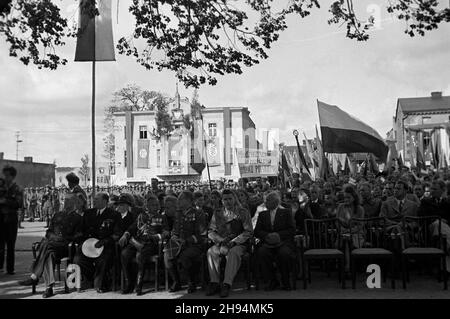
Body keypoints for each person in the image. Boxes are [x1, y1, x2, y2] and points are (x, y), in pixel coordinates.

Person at [19, 193, 83, 298]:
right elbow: (48, 232)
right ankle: (49, 288)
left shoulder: (78, 218)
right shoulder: (57, 215)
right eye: (65, 200)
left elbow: (79, 235)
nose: (65, 203)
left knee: (46, 245)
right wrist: (54, 237)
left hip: (65, 247)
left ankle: (35, 276)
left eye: (68, 201)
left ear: (74, 203)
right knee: (49, 254)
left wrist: (64, 238)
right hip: (52, 245)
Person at [206, 189, 253, 298]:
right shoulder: (217, 213)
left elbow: (248, 231)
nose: (227, 202)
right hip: (221, 242)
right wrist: (219, 240)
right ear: (222, 201)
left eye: (230, 199)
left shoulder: (243, 212)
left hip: (238, 244)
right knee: (210, 252)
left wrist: (234, 241)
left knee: (233, 253)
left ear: (234, 199)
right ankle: (215, 283)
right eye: (225, 199)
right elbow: (211, 231)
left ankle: (226, 284)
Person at [119, 195, 170, 295]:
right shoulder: (141, 216)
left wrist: (155, 237)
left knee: (140, 256)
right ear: (147, 206)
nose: (155, 207)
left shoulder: (162, 217)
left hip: (151, 244)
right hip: (137, 241)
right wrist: (126, 234)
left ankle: (139, 285)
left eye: (156, 205)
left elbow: (166, 232)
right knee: (124, 254)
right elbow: (132, 227)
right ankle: (129, 283)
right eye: (152, 205)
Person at [74, 192, 121, 293]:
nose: (94, 201)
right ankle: (93, 278)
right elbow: (80, 230)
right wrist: (81, 240)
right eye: (94, 199)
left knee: (103, 260)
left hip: (104, 245)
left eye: (97, 199)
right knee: (78, 260)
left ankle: (100, 284)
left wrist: (105, 241)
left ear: (105, 201)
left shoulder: (114, 214)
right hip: (88, 245)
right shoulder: (88, 213)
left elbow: (117, 234)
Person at [165, 191, 207, 293]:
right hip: (180, 244)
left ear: (188, 201)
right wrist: (174, 237)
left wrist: (187, 240)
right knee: (167, 255)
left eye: (181, 199)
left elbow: (202, 233)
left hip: (195, 245)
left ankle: (191, 282)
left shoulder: (198, 213)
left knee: (185, 256)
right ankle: (176, 282)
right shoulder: (178, 214)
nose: (178, 201)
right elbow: (175, 230)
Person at [254, 191, 295, 291]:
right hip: (268, 243)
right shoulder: (262, 214)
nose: (265, 203)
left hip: (283, 242)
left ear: (275, 202)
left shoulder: (285, 212)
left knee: (284, 253)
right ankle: (272, 281)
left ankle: (286, 281)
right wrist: (267, 235)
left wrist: (278, 235)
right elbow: (257, 231)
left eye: (267, 201)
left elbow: (291, 229)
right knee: (262, 252)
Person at [0, 165, 23, 275]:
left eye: (7, 175)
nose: (5, 177)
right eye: (4, 175)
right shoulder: (1, 187)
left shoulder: (17, 189)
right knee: (0, 244)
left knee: (10, 245)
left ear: (12, 176)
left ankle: (10, 269)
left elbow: (19, 204)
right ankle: (0, 267)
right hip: (1, 219)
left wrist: (5, 201)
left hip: (11, 219)